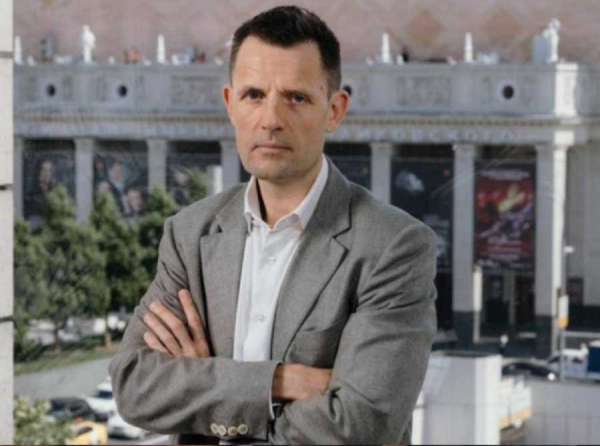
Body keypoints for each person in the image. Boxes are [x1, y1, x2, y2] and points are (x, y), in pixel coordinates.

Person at [109, 6, 437, 445]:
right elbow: (134, 386)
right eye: (254, 95)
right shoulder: (190, 234)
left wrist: (206, 380)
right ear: (230, 104)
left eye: (296, 98)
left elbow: (360, 426)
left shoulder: (393, 246)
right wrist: (280, 382)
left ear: (334, 110)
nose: (271, 119)